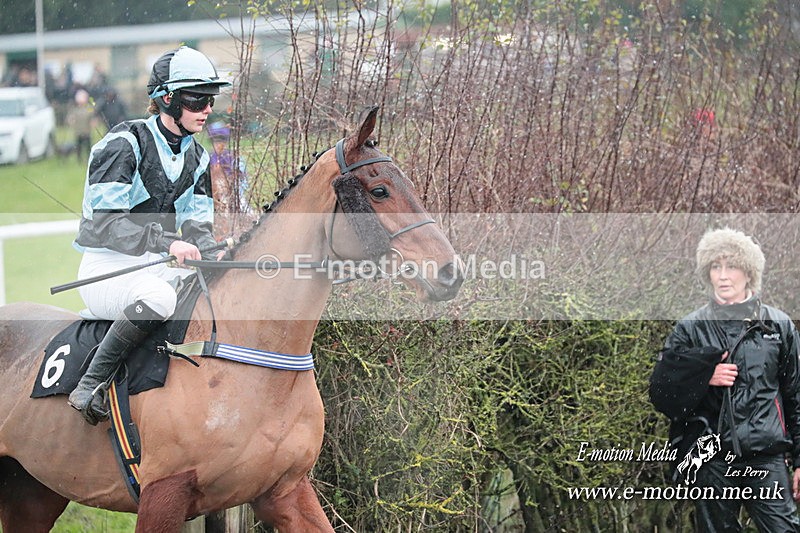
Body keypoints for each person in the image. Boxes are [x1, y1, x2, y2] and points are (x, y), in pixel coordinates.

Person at [69, 46, 230, 425]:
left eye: (210, 99)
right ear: (167, 99)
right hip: (105, 267)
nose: (207, 108)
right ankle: (90, 383)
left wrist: (215, 252)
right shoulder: (123, 145)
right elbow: (107, 224)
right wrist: (168, 243)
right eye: (198, 99)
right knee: (160, 298)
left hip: (154, 265)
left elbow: (197, 228)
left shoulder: (198, 158)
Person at [651, 228, 800, 532]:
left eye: (731, 266)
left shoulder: (779, 326)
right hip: (712, 460)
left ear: (749, 273)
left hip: (767, 457)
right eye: (715, 267)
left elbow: (796, 395)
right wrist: (704, 377)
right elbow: (661, 392)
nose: (722, 275)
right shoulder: (690, 329)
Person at [206, 120, 253, 237]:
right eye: (215, 141)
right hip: (212, 196)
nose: (218, 144)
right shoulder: (207, 157)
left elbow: (243, 179)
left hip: (233, 193)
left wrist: (233, 189)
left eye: (221, 140)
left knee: (246, 210)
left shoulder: (234, 158)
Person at [65, 88, 95, 162]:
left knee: (88, 146)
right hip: (78, 131)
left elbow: (93, 117)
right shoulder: (74, 109)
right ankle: (79, 159)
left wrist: (93, 121)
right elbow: (70, 118)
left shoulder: (89, 108)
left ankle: (88, 158)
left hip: (87, 131)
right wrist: (70, 120)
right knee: (79, 146)